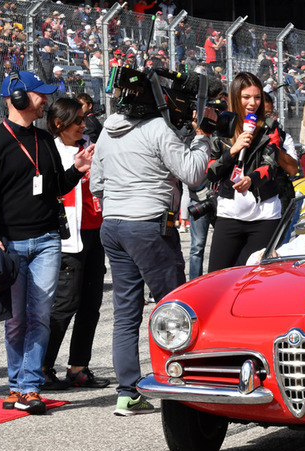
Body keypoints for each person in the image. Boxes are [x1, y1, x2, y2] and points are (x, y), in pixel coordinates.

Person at [90, 80, 215, 416]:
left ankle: (127, 392)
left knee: (125, 313)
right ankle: (184, 383)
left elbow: (95, 183)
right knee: (177, 305)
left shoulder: (106, 131)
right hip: (147, 225)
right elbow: (192, 173)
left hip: (113, 226)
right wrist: (202, 138)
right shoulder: (157, 128)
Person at [0, 70, 93, 414]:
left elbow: (54, 187)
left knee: (40, 315)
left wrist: (78, 171)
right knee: (17, 319)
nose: (46, 101)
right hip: (9, 244)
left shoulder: (43, 140)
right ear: (20, 98)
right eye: (40, 95)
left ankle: (28, 386)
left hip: (46, 241)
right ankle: (17, 385)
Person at [42, 97, 109, 390]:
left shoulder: (90, 148)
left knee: (91, 304)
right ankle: (42, 366)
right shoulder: (50, 151)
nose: (84, 125)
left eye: (84, 120)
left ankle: (78, 367)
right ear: (60, 124)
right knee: (65, 303)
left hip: (96, 232)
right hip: (69, 237)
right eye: (78, 121)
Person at [207, 72, 284, 271]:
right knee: (217, 276)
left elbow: (271, 165)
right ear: (235, 97)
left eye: (257, 97)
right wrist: (233, 151)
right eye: (246, 97)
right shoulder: (221, 125)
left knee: (252, 277)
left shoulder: (270, 127)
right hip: (229, 214)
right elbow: (211, 172)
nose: (253, 102)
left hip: (265, 215)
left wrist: (252, 180)